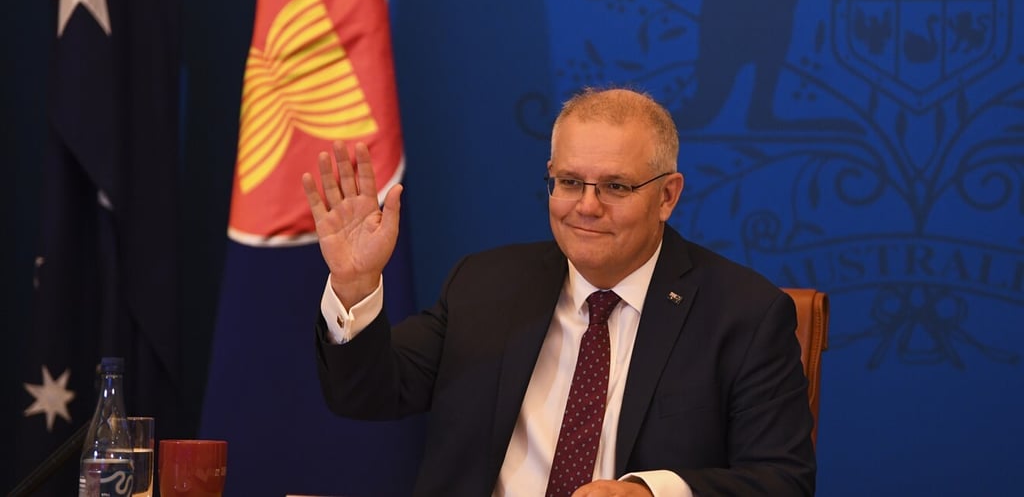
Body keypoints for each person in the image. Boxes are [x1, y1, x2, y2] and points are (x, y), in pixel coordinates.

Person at [303, 88, 816, 496]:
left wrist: (651, 493)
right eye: (570, 182)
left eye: (615, 187)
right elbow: (365, 394)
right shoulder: (486, 285)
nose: (586, 207)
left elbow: (781, 482)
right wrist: (354, 283)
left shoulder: (743, 314)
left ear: (667, 196)